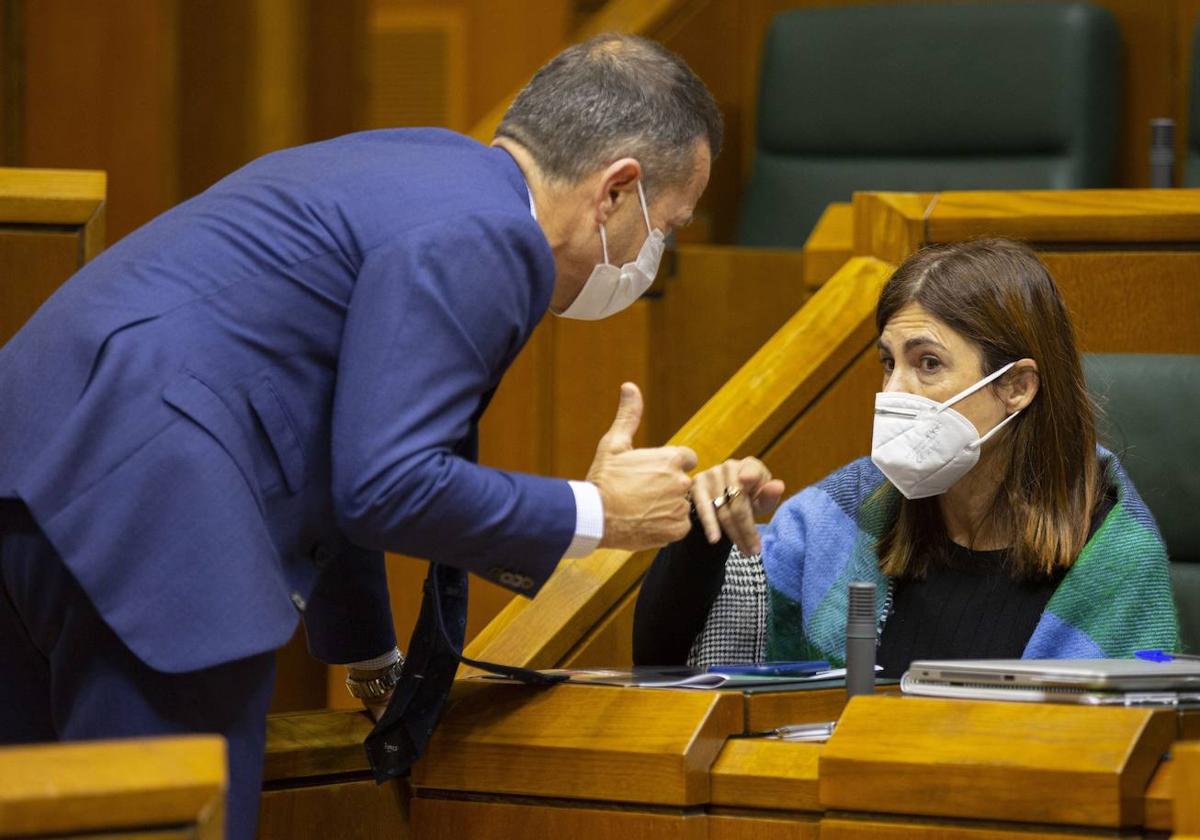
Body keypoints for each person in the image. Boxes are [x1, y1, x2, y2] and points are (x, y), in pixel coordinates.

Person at [0, 34, 721, 839]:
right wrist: (596, 511)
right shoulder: (489, 238)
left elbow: (337, 433)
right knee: (152, 823)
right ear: (618, 191)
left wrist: (373, 661)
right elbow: (388, 483)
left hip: (34, 471)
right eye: (672, 227)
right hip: (153, 522)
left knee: (36, 815)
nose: (657, 255)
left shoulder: (424, 169)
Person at [633, 238, 1178, 675]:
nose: (894, 391)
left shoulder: (1113, 553)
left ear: (1016, 387)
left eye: (929, 364)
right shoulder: (850, 509)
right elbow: (664, 661)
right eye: (888, 363)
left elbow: (1121, 750)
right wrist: (704, 534)